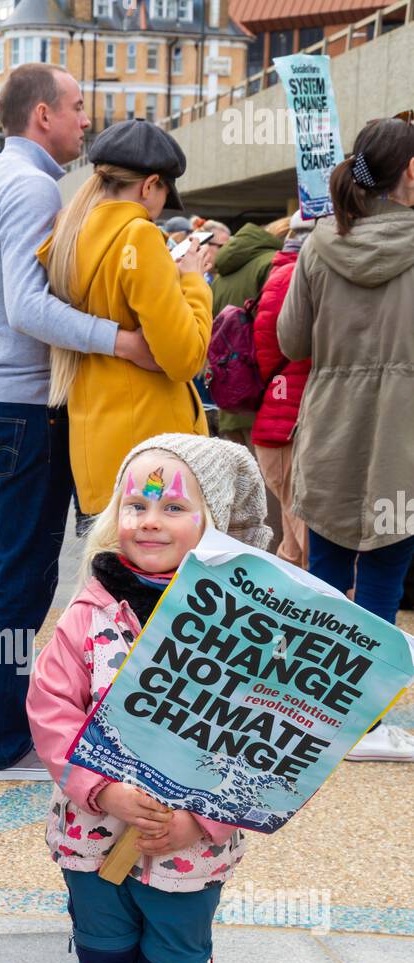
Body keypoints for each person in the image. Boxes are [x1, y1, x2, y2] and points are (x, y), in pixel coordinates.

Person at [26, 433, 272, 963]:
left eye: (174, 505)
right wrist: (100, 789)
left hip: (190, 857)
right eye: (137, 501)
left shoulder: (241, 627)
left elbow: (260, 745)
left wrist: (203, 823)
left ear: (215, 522)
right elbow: (51, 711)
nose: (150, 518)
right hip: (92, 846)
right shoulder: (87, 611)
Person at [0, 64, 160, 781]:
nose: (85, 121)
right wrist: (121, 340)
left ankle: (3, 732)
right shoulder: (34, 185)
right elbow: (27, 307)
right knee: (20, 579)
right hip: (22, 402)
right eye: (77, 108)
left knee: (16, 572)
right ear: (42, 115)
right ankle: (4, 742)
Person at [277, 115, 414, 762]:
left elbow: (291, 341)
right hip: (402, 427)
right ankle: (370, 718)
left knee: (328, 566)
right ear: (410, 172)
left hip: (330, 417)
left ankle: (319, 713)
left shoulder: (318, 244)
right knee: (386, 565)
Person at [39, 118, 213, 521]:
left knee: (107, 583)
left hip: (97, 449)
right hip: (152, 461)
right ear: (150, 184)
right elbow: (186, 357)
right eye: (164, 191)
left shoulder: (69, 233)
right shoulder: (140, 235)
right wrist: (193, 283)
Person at [251, 211, 314, 569]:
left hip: (277, 419)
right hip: (289, 419)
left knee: (293, 540)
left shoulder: (280, 273)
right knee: (306, 539)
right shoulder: (295, 274)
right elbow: (288, 346)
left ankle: (285, 616)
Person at [211, 216, 289, 451]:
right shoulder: (272, 264)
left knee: (242, 484)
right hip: (265, 398)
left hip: (230, 399)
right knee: (275, 484)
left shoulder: (221, 275)